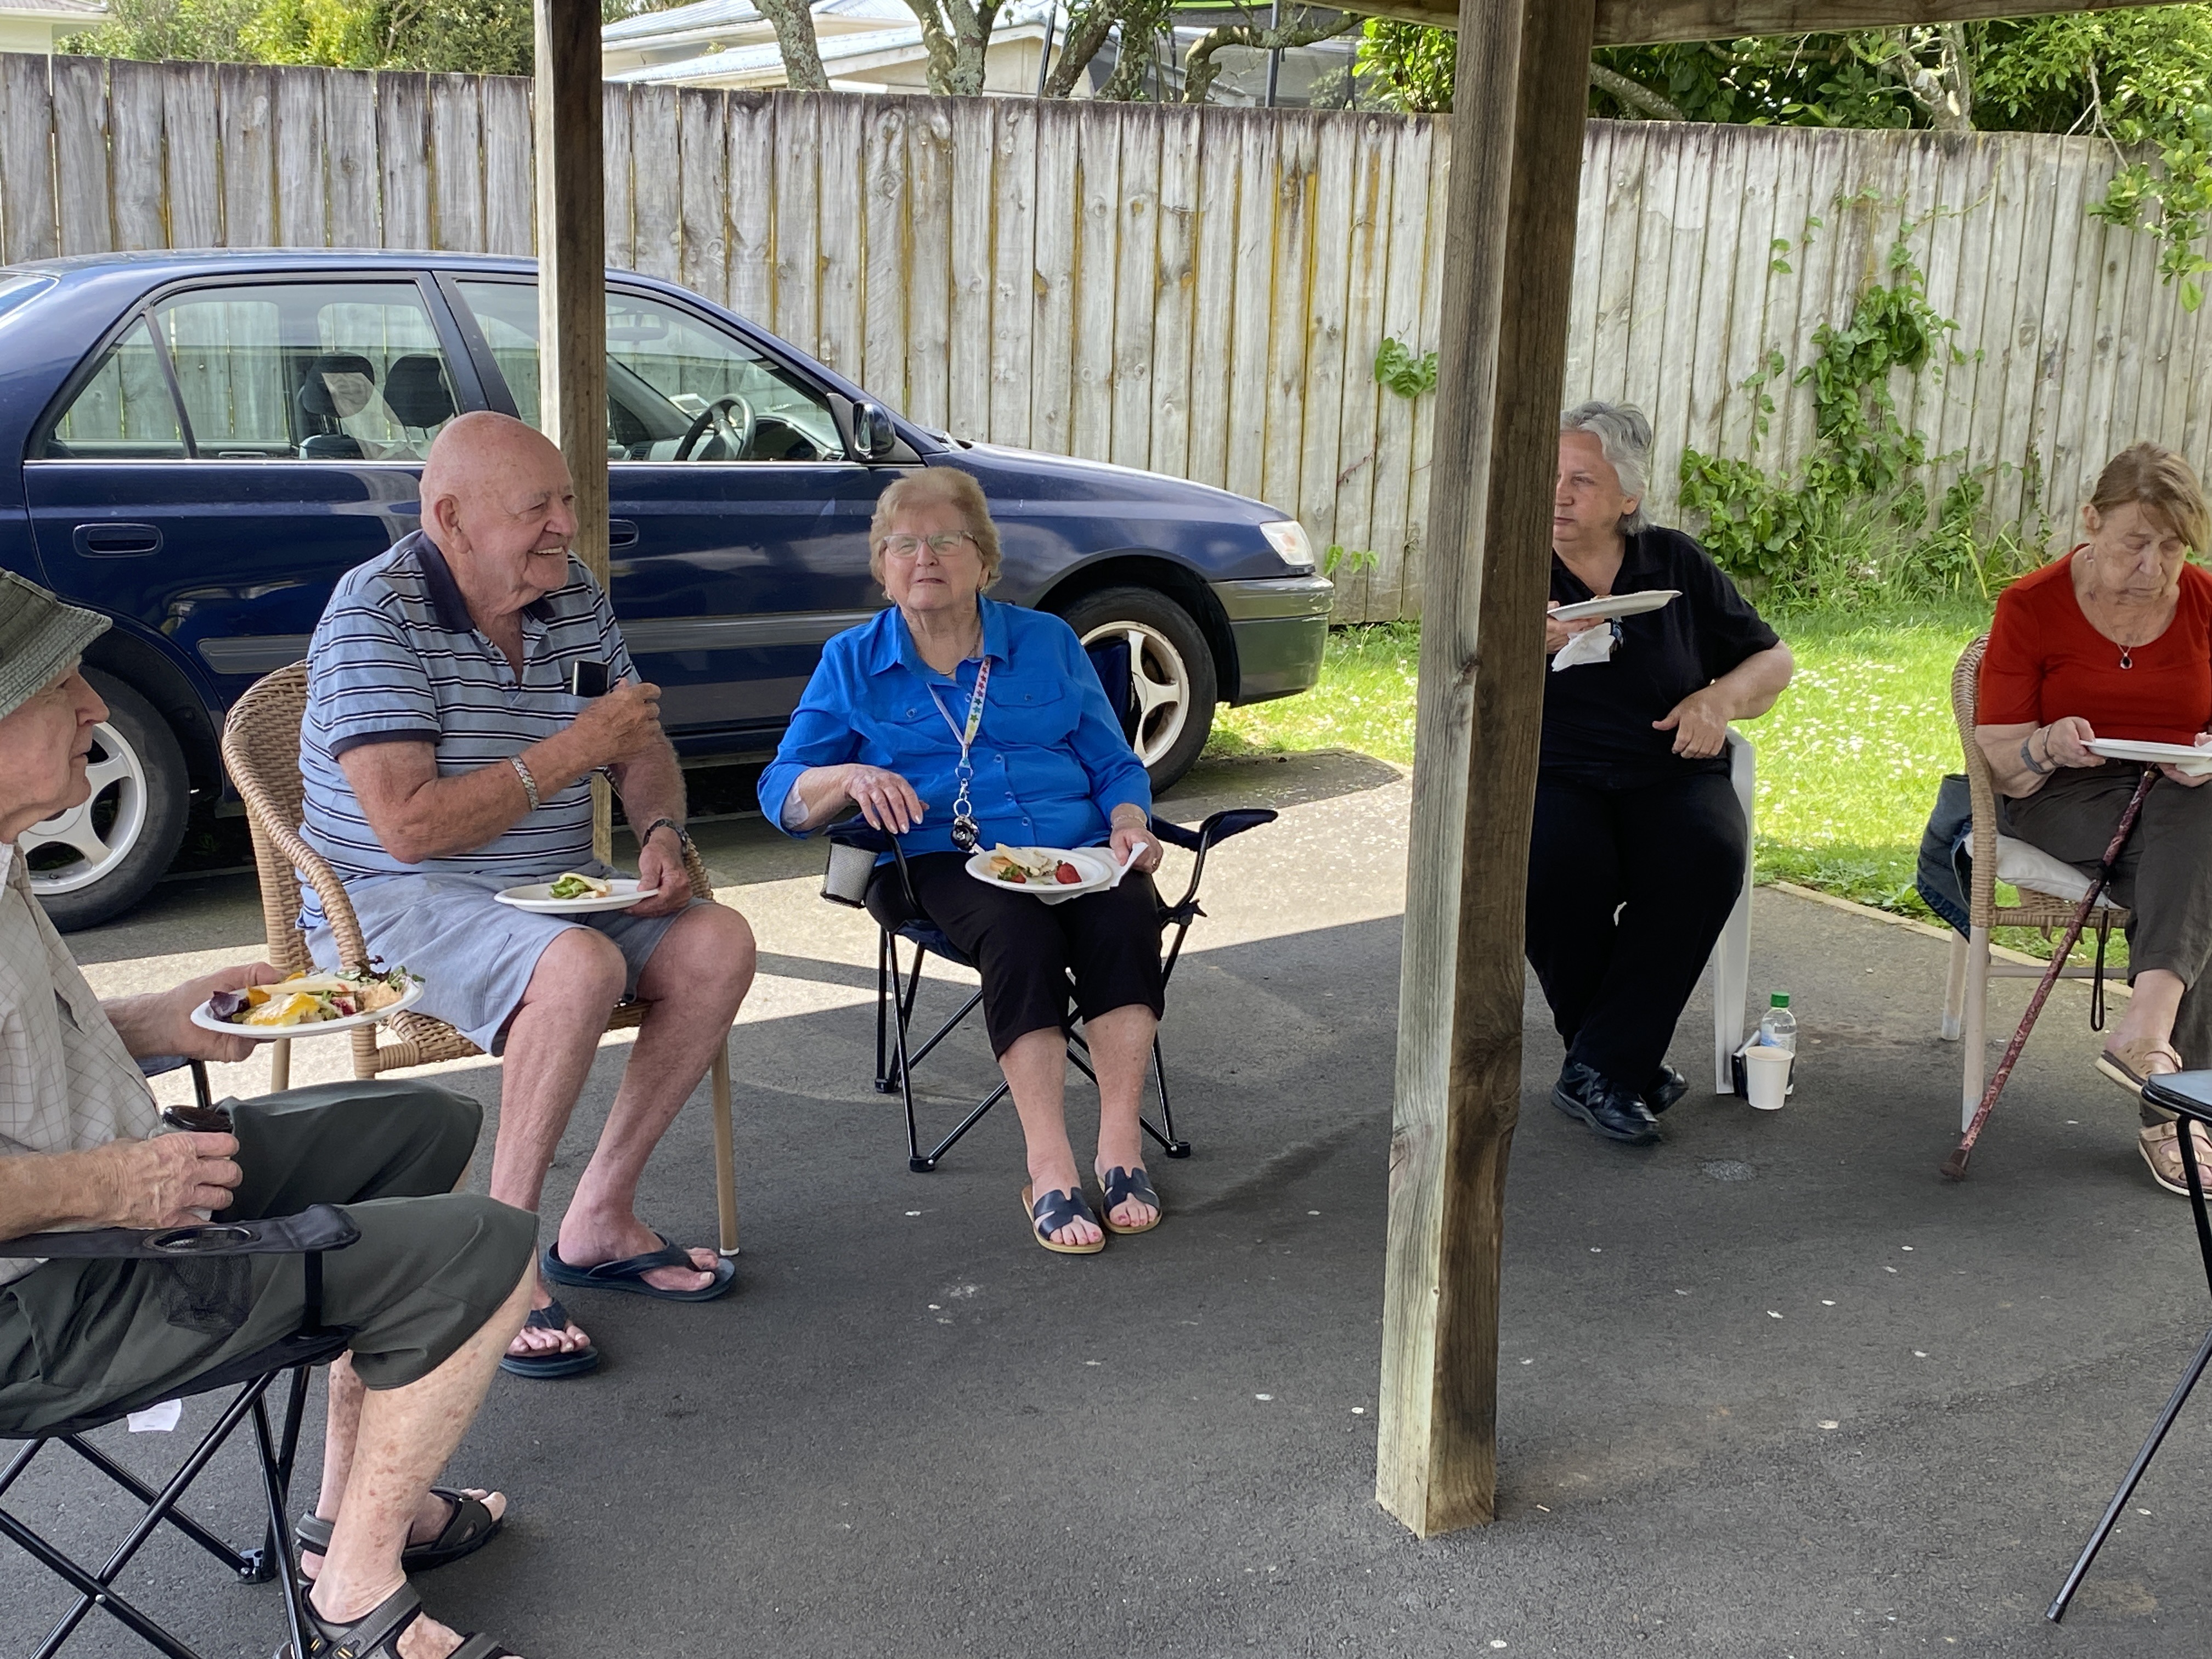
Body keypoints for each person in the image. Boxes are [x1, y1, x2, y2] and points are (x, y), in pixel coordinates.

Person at [0, 569, 536, 1659]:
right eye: (58, 684)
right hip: (46, 1297)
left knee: (423, 1125)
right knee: (495, 1249)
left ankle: (349, 1514)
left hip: (107, 1197)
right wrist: (107, 1188)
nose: (98, 707)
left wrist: (156, 1021)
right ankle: (357, 1598)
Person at [300, 411, 757, 1378]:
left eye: (566, 503)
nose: (564, 527)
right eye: (537, 508)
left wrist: (662, 830)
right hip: (396, 900)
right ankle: (502, 1260)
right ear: (451, 519)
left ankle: (597, 1219)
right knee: (579, 965)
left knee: (719, 940)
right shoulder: (372, 615)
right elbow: (409, 827)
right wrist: (571, 754)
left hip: (550, 897)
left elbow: (634, 739)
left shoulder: (569, 594)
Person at [758, 470, 1167, 1254]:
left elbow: (1116, 763)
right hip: (939, 856)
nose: (925, 558)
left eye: (946, 540)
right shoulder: (851, 662)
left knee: (1124, 913)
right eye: (902, 545)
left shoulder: (1045, 643)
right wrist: (846, 778)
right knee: (1020, 938)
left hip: (1075, 849)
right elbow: (782, 792)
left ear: (985, 559)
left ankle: (1120, 1149)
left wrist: (1126, 824)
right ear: (881, 568)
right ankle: (1048, 1166)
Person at [1533, 402, 1795, 1147]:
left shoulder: (1672, 562)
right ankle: (1620, 1063)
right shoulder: (1512, 566)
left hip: (1669, 767)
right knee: (1551, 863)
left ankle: (1601, 1066)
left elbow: (1773, 660)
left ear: (1628, 496)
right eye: (1551, 477)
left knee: (1706, 856)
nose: (1559, 494)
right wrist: (1527, 640)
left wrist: (1718, 698)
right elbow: (1458, 680)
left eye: (1582, 480)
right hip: (1555, 771)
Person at [1974, 442, 2212, 1194]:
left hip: (2181, 796)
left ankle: (2150, 1040)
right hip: (2062, 795)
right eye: (2134, 543)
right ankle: (2179, 1108)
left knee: (2198, 817)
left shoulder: (2205, 604)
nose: (2153, 567)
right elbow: (2002, 759)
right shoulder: (2031, 605)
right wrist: (2045, 744)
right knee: (2203, 876)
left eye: (2171, 547)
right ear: (2090, 523)